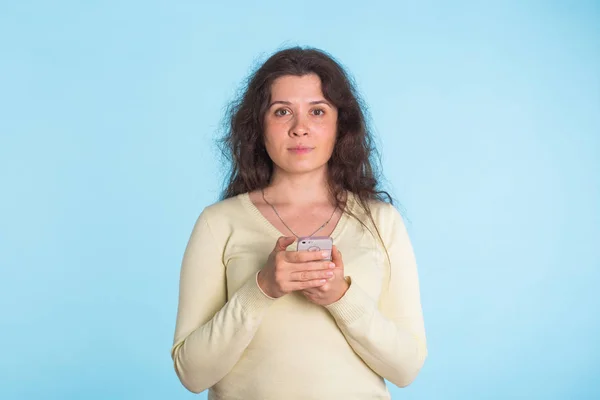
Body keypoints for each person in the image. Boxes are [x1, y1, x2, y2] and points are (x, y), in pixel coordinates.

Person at [170, 46, 427, 400]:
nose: (300, 128)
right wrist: (260, 289)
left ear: (341, 125)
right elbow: (192, 373)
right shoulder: (218, 224)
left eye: (317, 111)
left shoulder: (382, 223)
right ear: (259, 126)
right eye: (282, 112)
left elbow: (406, 368)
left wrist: (341, 297)